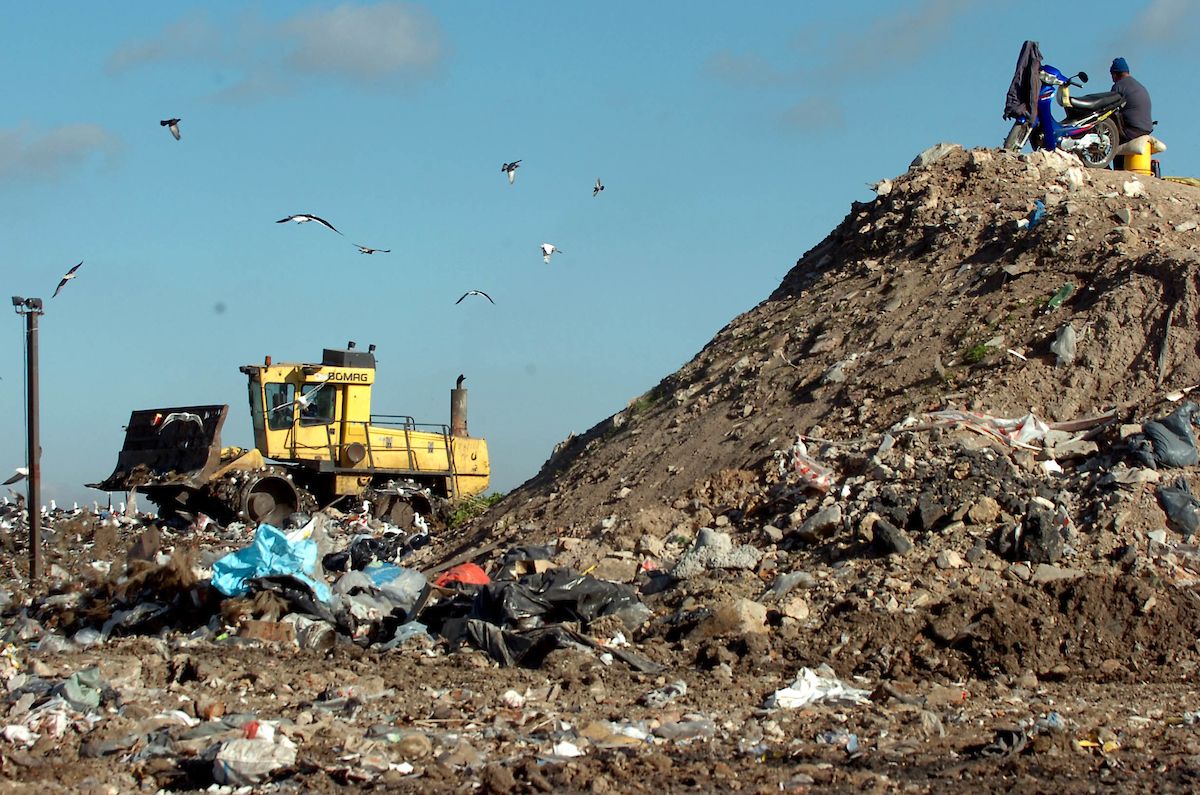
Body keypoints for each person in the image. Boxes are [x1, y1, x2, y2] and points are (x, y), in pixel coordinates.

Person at [1109, 57, 1152, 143]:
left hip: (1132, 131)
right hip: (1147, 129)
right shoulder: (1139, 86)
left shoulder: (1119, 86)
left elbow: (1109, 109)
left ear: (1114, 74)